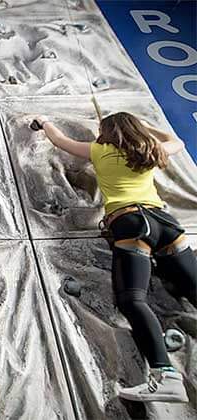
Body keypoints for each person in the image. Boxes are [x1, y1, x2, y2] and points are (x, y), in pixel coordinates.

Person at [33, 112, 195, 403]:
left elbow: (60, 141)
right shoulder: (149, 149)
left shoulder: (100, 150)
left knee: (132, 299)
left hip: (131, 223)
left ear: (107, 131)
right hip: (166, 224)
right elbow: (177, 142)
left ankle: (166, 375)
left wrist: (43, 121)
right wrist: (146, 128)